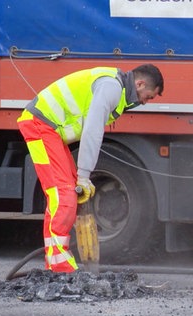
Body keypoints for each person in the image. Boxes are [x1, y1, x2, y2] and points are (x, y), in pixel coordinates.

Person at [17, 64, 164, 273]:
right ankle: (59, 265)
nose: (144, 102)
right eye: (148, 97)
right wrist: (84, 176)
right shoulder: (111, 88)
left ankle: (55, 262)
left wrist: (82, 177)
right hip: (40, 125)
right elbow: (92, 133)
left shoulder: (115, 87)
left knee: (64, 193)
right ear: (139, 84)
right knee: (64, 194)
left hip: (49, 129)